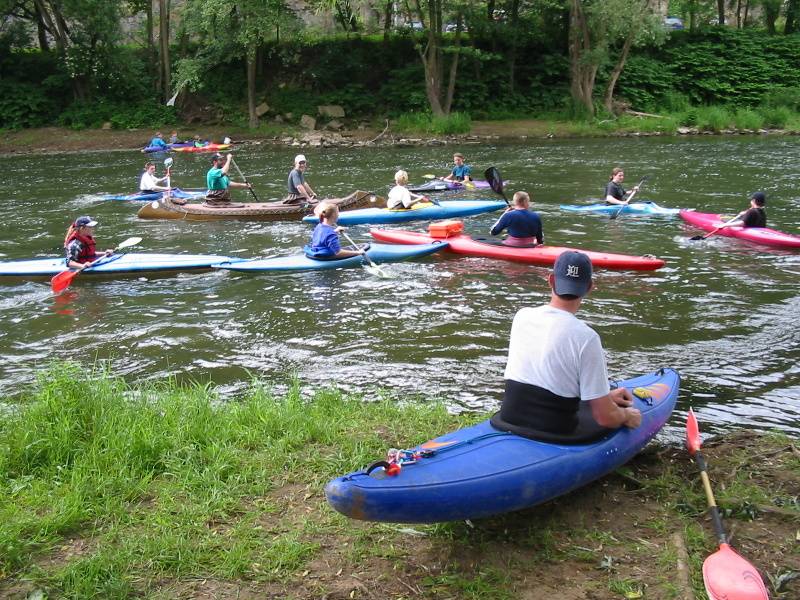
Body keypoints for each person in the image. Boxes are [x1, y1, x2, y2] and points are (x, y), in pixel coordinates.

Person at [496, 251, 642, 435]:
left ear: (551, 280)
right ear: (589, 287)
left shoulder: (522, 316)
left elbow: (546, 382)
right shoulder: (586, 337)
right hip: (555, 429)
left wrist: (604, 397)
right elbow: (604, 417)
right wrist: (627, 416)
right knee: (609, 415)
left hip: (510, 417)